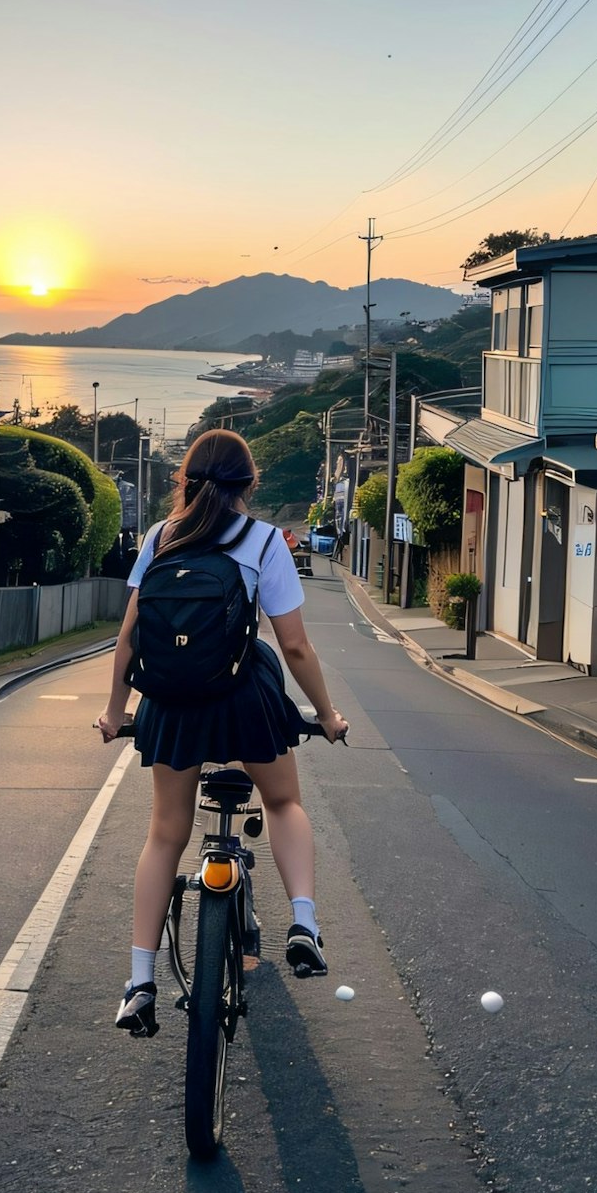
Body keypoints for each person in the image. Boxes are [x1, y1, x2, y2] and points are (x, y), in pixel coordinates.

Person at [97, 429, 349, 1039]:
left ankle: (139, 982)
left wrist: (114, 712)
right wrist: (329, 714)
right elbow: (292, 645)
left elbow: (129, 636)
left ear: (184, 479)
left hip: (172, 705)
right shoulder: (265, 542)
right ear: (250, 485)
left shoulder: (161, 537)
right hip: (244, 702)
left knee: (164, 835)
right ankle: (303, 923)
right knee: (283, 801)